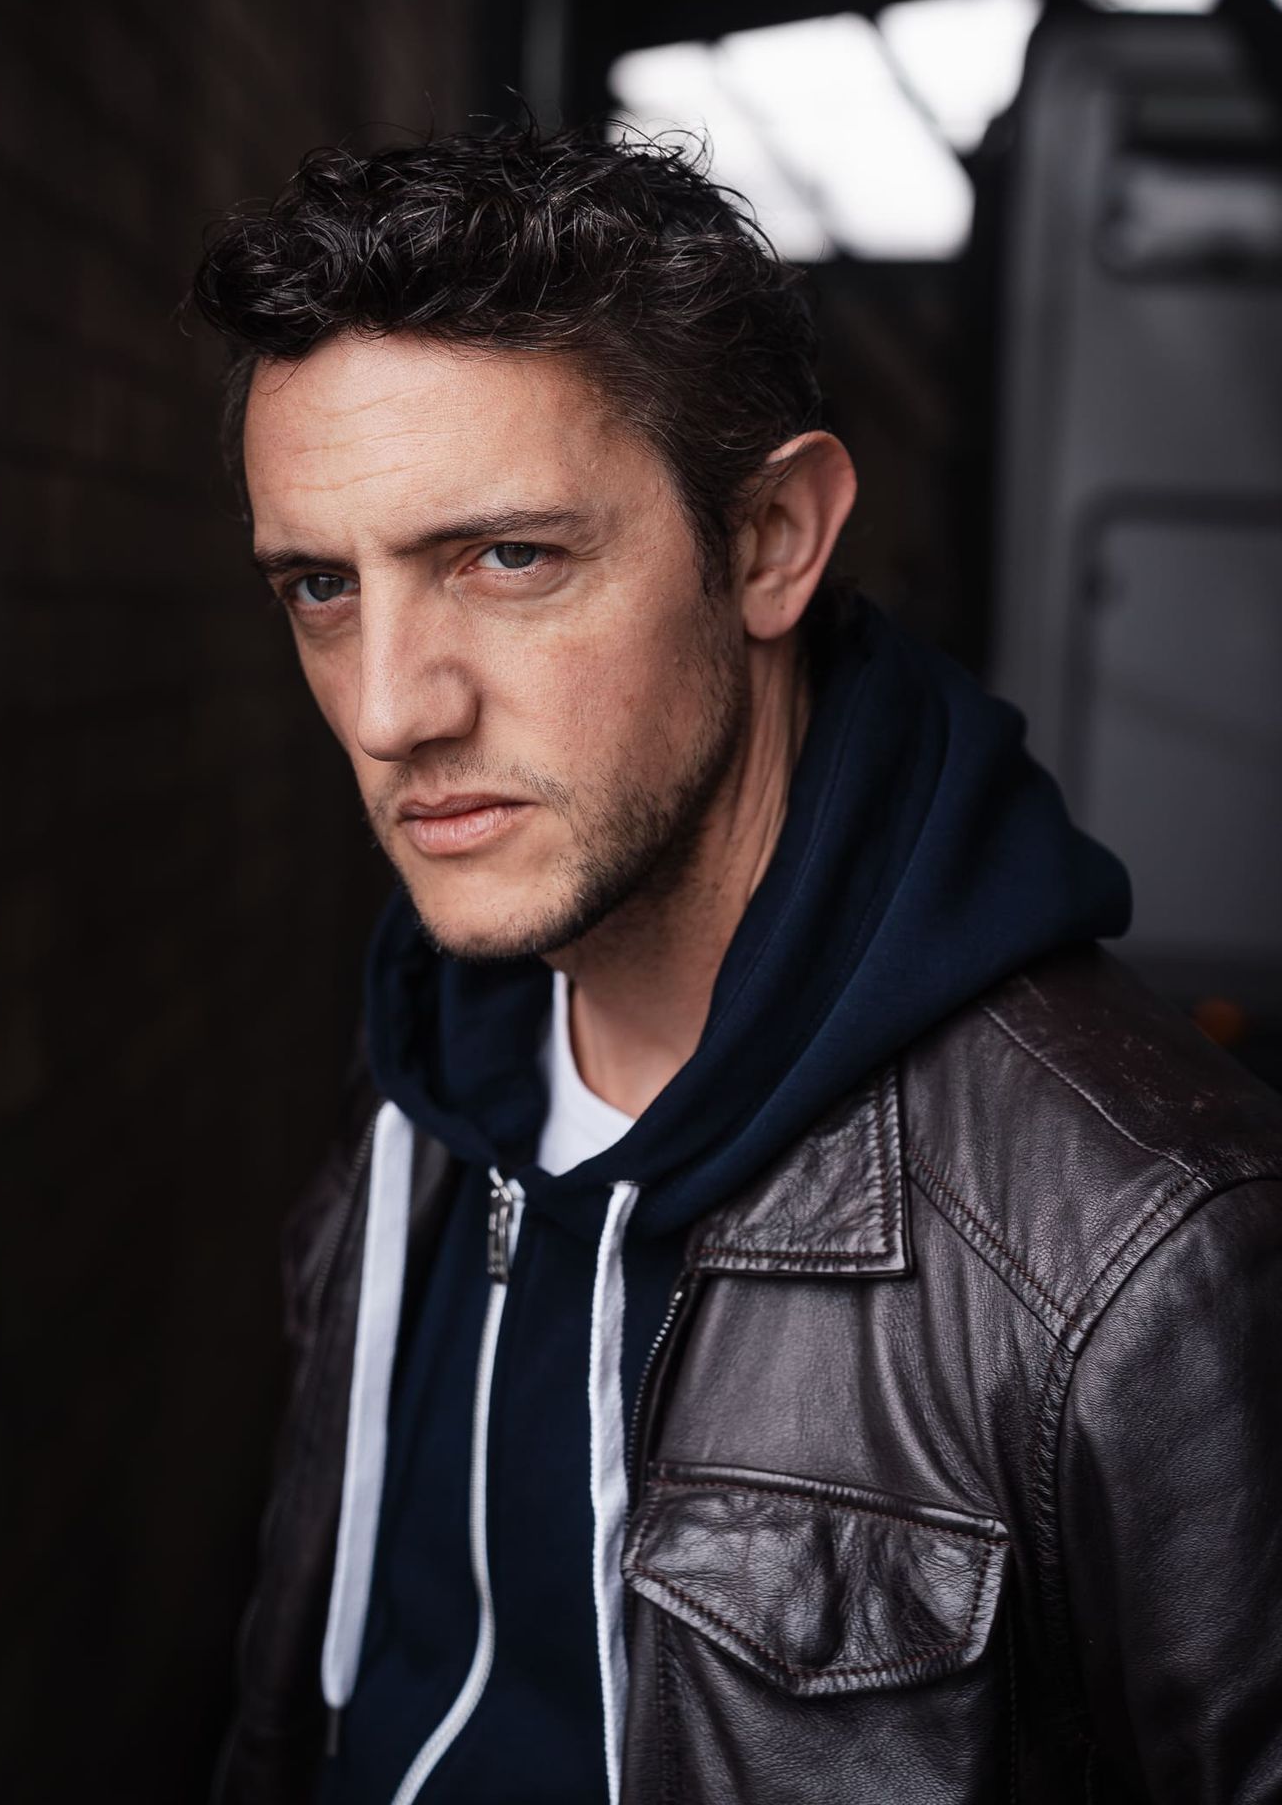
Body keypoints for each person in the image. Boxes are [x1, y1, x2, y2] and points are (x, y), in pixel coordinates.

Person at [192, 125, 1282, 1805]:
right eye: (325, 586)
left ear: (772, 538)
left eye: (508, 558)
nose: (392, 707)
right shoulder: (424, 1086)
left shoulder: (1139, 1248)